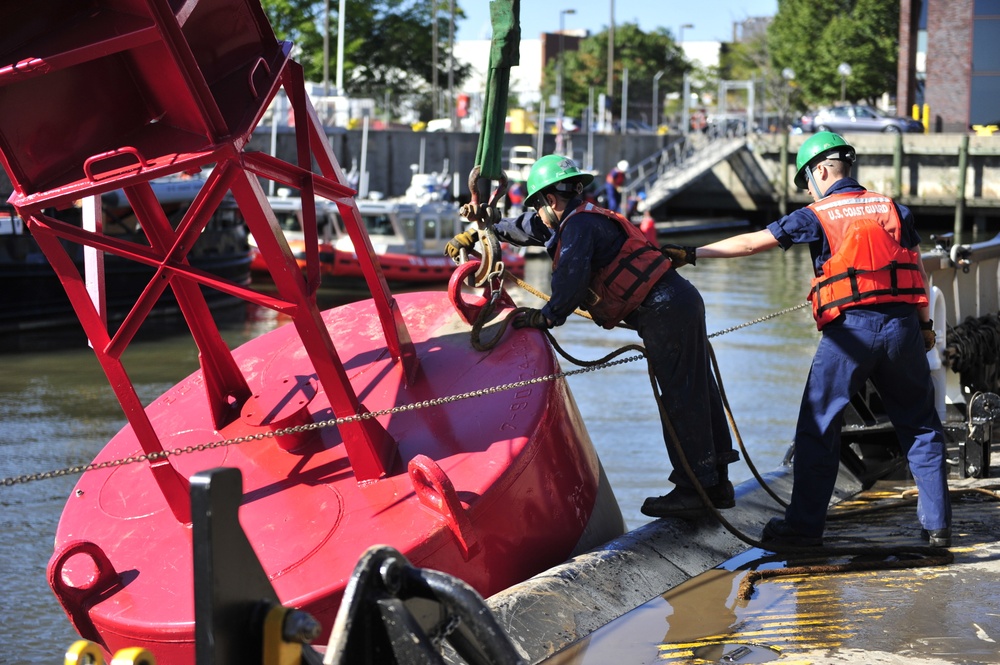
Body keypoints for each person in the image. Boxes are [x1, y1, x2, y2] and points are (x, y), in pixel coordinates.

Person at [687, 131, 952, 548]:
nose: (809, 190)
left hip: (850, 333)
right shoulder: (893, 209)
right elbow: (915, 269)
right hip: (902, 328)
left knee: (818, 426)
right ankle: (937, 528)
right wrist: (924, 327)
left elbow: (752, 243)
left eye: (807, 181)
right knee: (920, 426)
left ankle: (804, 528)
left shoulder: (817, 214)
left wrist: (691, 254)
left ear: (822, 170)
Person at [446, 154, 738, 519]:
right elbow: (526, 227)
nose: (537, 214)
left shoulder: (579, 228)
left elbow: (569, 280)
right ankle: (716, 484)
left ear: (550, 200)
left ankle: (692, 489)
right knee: (697, 390)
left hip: (666, 311)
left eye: (538, 206)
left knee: (680, 397)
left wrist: (546, 317)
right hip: (677, 303)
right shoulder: (579, 218)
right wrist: (480, 232)